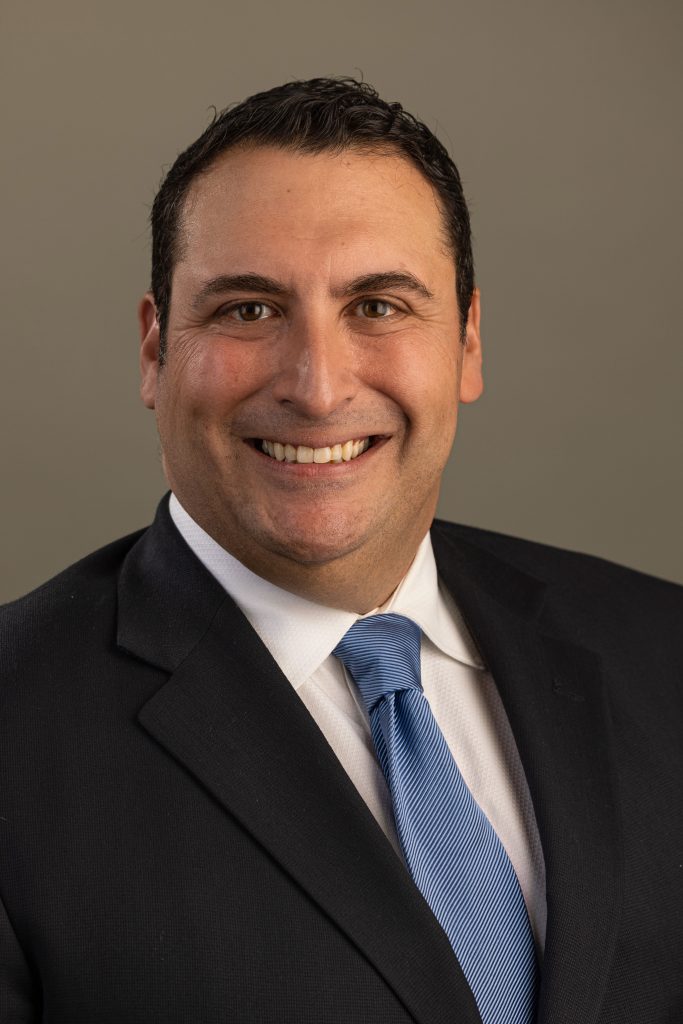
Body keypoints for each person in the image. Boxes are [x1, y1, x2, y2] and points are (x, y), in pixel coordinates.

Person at [0, 78, 681, 1024]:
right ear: (155, 351)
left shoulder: (661, 649)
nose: (317, 388)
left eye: (378, 306)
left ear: (467, 342)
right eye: (248, 310)